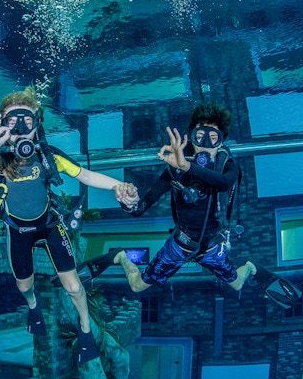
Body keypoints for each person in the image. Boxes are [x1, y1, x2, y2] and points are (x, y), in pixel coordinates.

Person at [0, 87, 137, 363]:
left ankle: (86, 331)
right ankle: (33, 308)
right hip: (18, 231)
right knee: (24, 287)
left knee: (74, 287)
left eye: (26, 122)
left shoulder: (48, 157)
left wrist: (118, 185)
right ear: (2, 125)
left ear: (36, 126)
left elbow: (85, 176)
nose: (19, 128)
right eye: (12, 121)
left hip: (50, 225)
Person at [105, 100, 257, 293]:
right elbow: (139, 209)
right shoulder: (176, 168)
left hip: (212, 248)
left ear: (221, 142)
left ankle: (250, 267)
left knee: (236, 283)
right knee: (136, 286)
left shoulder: (226, 166)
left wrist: (187, 166)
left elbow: (225, 183)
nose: (205, 145)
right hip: (179, 246)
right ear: (191, 138)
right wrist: (128, 202)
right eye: (200, 137)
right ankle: (121, 257)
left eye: (213, 138)